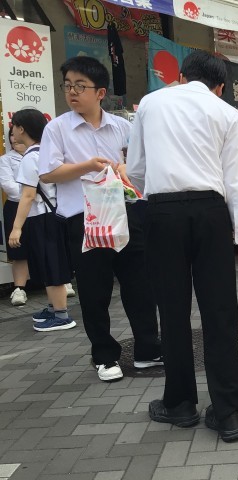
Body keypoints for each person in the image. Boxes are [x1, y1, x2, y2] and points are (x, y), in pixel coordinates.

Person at [126, 50, 238, 441]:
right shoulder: (227, 113)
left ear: (181, 76)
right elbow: (237, 182)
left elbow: (135, 170)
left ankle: (180, 404)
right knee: (220, 312)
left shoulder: (150, 103)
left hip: (162, 212)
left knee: (172, 309)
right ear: (220, 87)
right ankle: (227, 413)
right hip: (211, 213)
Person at [39, 56, 162, 382]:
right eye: (68, 86)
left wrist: (124, 168)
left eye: (80, 86)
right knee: (95, 292)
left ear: (100, 92)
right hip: (84, 219)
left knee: (140, 285)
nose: (72, 92)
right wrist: (88, 166)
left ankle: (148, 350)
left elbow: (140, 165)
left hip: (125, 213)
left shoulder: (122, 127)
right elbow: (48, 173)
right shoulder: (57, 128)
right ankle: (105, 357)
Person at [9, 109, 76, 332]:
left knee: (50, 264)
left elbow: (28, 195)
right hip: (54, 215)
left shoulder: (30, 158)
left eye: (14, 126)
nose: (12, 131)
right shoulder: (47, 152)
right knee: (49, 262)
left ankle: (61, 315)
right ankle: (54, 307)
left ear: (22, 129)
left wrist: (16, 228)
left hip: (42, 217)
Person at [0, 126, 29, 306]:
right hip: (15, 206)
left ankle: (61, 282)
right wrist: (30, 192)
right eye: (11, 134)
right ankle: (19, 289)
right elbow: (8, 186)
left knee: (48, 244)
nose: (15, 137)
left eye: (18, 133)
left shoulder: (40, 155)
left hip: (40, 206)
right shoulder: (5, 159)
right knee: (18, 248)